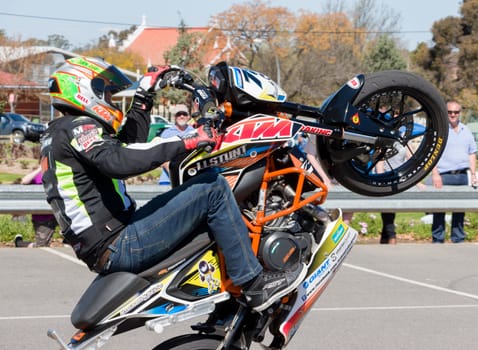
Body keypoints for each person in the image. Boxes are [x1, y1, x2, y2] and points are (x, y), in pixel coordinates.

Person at [41, 56, 306, 312]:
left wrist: (145, 94)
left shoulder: (60, 132)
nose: (110, 99)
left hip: (110, 241)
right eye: (106, 93)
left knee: (196, 204)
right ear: (82, 90)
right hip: (118, 244)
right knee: (212, 188)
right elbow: (120, 161)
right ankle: (253, 283)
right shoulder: (76, 127)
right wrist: (189, 140)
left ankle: (226, 296)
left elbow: (130, 145)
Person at [430, 101, 477, 243]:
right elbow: (433, 153)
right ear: (445, 113)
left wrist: (473, 174)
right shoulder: (440, 131)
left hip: (462, 175)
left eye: (456, 112)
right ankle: (438, 238)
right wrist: (435, 174)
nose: (453, 115)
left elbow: (472, 153)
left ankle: (458, 238)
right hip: (444, 175)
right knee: (440, 209)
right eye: (450, 112)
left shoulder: (466, 131)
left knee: (459, 208)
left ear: (460, 113)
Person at [14, 166, 59, 248]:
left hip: (59, 212)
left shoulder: (59, 171)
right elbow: (24, 181)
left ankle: (67, 241)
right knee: (41, 245)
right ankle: (19, 243)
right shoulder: (38, 175)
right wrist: (39, 169)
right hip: (43, 216)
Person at [158, 107, 195, 185]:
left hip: (189, 179)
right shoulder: (166, 133)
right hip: (168, 180)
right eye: (179, 114)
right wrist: (173, 173)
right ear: (175, 117)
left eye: (184, 114)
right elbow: (160, 156)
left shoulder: (194, 132)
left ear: (188, 116)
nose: (181, 116)